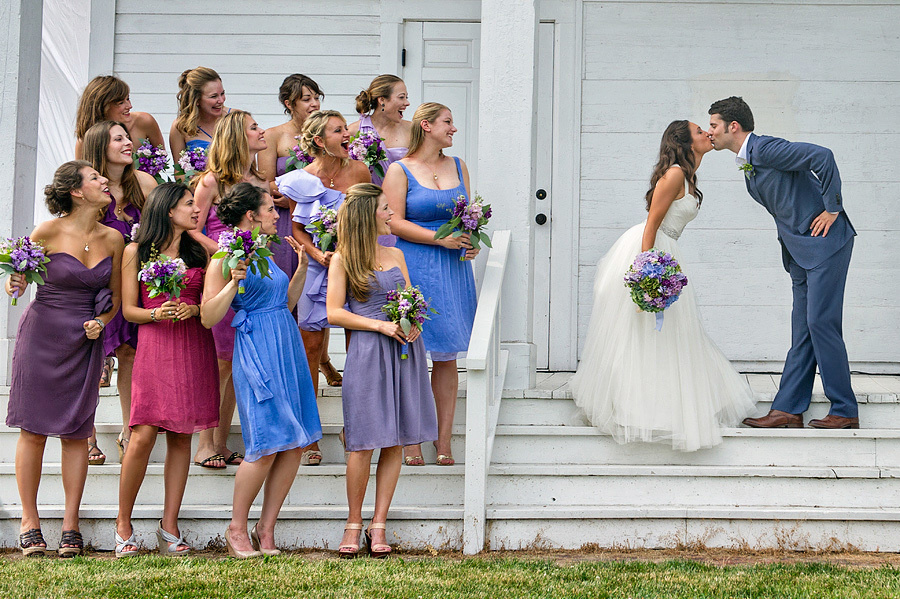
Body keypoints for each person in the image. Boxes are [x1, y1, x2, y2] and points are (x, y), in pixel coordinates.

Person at [569, 120, 756, 451]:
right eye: (701, 131)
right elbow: (652, 223)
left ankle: (661, 404)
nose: (708, 134)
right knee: (646, 335)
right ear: (685, 142)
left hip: (667, 249)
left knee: (670, 335)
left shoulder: (688, 175)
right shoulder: (673, 175)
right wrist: (646, 270)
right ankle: (634, 407)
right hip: (650, 250)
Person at [707, 96, 857, 429]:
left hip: (826, 246)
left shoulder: (765, 149)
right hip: (800, 252)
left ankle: (845, 410)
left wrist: (832, 208)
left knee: (821, 324)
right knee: (802, 329)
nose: (710, 132)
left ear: (733, 126)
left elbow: (822, 156)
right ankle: (788, 409)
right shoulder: (750, 160)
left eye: (714, 125)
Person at [6, 160, 123, 557]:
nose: (104, 180)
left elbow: (116, 300)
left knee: (76, 432)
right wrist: (14, 280)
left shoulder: (113, 239)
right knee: (33, 431)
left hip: (83, 341)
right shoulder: (47, 231)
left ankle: (71, 525)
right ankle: (29, 521)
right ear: (76, 191)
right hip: (41, 337)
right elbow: (20, 280)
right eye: (95, 178)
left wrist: (101, 321)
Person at [201, 182, 321, 558]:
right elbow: (208, 316)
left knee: (295, 443)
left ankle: (265, 530)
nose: (276, 214)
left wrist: (301, 269)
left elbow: (284, 302)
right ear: (250, 215)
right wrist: (232, 282)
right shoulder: (224, 256)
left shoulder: (264, 253)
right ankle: (236, 529)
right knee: (266, 444)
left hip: (286, 345)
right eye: (270, 208)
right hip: (256, 349)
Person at [326, 183, 438, 558]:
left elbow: (409, 296)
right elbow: (334, 312)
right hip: (369, 351)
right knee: (362, 442)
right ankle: (353, 522)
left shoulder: (395, 254)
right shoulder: (342, 259)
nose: (391, 215)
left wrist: (414, 319)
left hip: (404, 350)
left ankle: (379, 524)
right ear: (366, 216)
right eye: (385, 209)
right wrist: (379, 325)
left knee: (396, 438)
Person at [114, 182, 219, 558]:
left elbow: (210, 301)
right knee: (142, 434)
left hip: (193, 343)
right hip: (156, 344)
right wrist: (157, 312)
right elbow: (129, 310)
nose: (197, 209)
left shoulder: (198, 252)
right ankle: (123, 525)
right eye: (190, 204)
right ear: (168, 209)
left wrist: (195, 309)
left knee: (182, 437)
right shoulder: (135, 252)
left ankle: (168, 527)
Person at [381, 102, 479, 466]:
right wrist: (438, 239)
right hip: (415, 265)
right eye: (448, 122)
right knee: (412, 353)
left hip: (453, 270)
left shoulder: (459, 166)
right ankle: (411, 438)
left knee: (447, 357)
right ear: (426, 126)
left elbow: (467, 216)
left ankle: (443, 440)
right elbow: (393, 221)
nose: (454, 129)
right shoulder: (400, 169)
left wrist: (471, 242)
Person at [277, 110, 371, 465]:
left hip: (356, 264)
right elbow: (298, 229)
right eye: (338, 131)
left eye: (345, 128)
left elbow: (371, 216)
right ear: (319, 141)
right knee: (311, 349)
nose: (347, 134)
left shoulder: (360, 171)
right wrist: (319, 255)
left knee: (359, 350)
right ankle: (309, 435)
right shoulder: (301, 180)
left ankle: (356, 429)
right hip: (319, 268)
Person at [189, 109, 268, 469]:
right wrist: (222, 250)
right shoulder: (211, 182)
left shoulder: (263, 181)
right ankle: (205, 443)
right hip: (223, 274)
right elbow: (191, 225)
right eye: (254, 127)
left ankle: (222, 442)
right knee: (220, 362)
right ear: (238, 136)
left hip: (256, 278)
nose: (261, 131)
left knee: (237, 362)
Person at [83, 120, 158, 464]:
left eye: (128, 137)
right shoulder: (87, 187)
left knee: (131, 354)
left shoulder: (144, 183)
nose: (129, 143)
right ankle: (87, 434)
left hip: (137, 282)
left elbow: (161, 228)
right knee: (92, 357)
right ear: (101, 147)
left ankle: (129, 431)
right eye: (119, 139)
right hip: (97, 281)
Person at [257, 75, 325, 350]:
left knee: (318, 290)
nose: (314, 104)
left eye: (317, 97)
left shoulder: (324, 132)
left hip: (319, 220)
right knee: (290, 278)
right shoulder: (274, 134)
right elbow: (265, 180)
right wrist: (288, 195)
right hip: (285, 219)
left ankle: (320, 358)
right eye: (306, 99)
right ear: (289, 103)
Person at [348, 75, 412, 248]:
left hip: (407, 210)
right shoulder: (354, 131)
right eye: (401, 97)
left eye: (406, 97)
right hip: (369, 214)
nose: (407, 103)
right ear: (382, 100)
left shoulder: (412, 130)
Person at [74, 75, 165, 160]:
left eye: (128, 99)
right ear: (102, 107)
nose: (129, 106)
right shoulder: (86, 138)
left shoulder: (144, 121)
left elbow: (161, 157)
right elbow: (82, 173)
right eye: (121, 103)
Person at [169, 67, 231, 165]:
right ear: (196, 100)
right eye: (213, 96)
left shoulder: (237, 118)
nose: (221, 100)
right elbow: (179, 173)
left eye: (222, 94)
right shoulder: (180, 126)